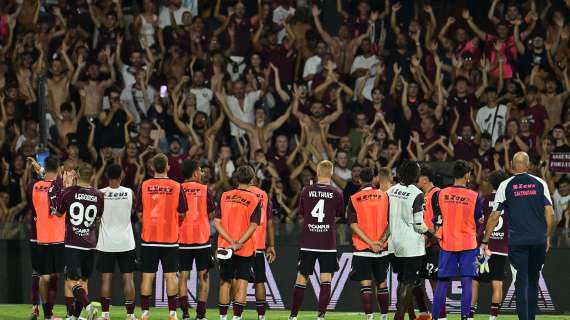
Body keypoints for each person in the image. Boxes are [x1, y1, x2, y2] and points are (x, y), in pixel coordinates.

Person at [480, 152, 556, 320]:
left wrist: (485, 240)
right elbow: (550, 214)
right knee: (533, 280)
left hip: (517, 242)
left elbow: (494, 217)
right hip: (538, 241)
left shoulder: (505, 185)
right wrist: (548, 237)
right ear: (528, 166)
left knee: (521, 281)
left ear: (513, 167)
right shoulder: (540, 183)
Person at [134, 153, 188, 320]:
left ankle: (144, 313)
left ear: (152, 168)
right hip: (170, 238)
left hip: (149, 238)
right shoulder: (177, 186)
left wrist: (147, 222)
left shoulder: (144, 185)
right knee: (170, 275)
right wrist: (176, 223)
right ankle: (172, 314)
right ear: (167, 167)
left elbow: (138, 212)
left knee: (147, 276)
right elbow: (184, 212)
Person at [289, 160, 344, 320]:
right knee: (326, 279)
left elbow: (303, 213)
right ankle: (321, 316)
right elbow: (339, 215)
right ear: (332, 173)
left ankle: (293, 316)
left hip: (308, 242)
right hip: (327, 243)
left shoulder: (306, 191)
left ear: (317, 173)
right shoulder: (337, 193)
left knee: (301, 278)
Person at [431, 160, 483, 320]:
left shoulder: (440, 194)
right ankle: (465, 317)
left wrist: (440, 236)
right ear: (467, 175)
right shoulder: (474, 196)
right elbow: (479, 221)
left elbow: (436, 220)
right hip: (468, 243)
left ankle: (434, 318)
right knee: (467, 281)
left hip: (447, 243)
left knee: (442, 282)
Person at [54, 163, 105, 320]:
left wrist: (65, 188)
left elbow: (58, 213)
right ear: (93, 177)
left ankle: (89, 308)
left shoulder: (69, 192)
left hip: (73, 243)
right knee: (83, 282)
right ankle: (74, 317)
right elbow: (98, 217)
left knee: (72, 282)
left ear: (76, 175)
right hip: (90, 244)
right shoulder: (99, 195)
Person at [215, 165, 262, 320]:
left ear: (236, 178)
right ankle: (236, 317)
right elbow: (254, 225)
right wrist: (239, 242)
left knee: (225, 281)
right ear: (252, 179)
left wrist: (230, 241)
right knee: (242, 281)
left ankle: (223, 318)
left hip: (225, 247)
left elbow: (217, 223)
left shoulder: (224, 196)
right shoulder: (255, 199)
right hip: (245, 247)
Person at [387, 160, 431, 320]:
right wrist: (432, 234)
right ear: (415, 175)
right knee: (408, 282)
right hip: (412, 246)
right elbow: (419, 224)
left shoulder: (390, 191)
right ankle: (398, 317)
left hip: (393, 245)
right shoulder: (417, 193)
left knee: (404, 281)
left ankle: (411, 315)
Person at [346, 167, 390, 320]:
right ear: (374, 179)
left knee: (366, 285)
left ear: (359, 180)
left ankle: (369, 317)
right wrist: (381, 241)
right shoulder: (385, 196)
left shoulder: (354, 198)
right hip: (382, 248)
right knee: (382, 284)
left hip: (362, 248)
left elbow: (352, 224)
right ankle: (384, 317)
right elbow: (391, 222)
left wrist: (370, 243)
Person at [96, 164, 137, 320]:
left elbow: (97, 216)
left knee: (106, 278)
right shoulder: (129, 193)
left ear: (107, 176)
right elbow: (133, 211)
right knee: (128, 278)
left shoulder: (100, 193)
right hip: (126, 243)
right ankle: (130, 315)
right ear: (122, 176)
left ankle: (105, 315)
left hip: (107, 243)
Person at [178, 159, 216, 320]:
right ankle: (201, 315)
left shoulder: (177, 189)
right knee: (204, 277)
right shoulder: (205, 189)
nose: (202, 173)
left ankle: (185, 314)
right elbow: (212, 214)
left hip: (182, 239)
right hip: (202, 240)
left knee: (183, 277)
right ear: (194, 173)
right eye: (200, 170)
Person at [28, 157, 65, 320]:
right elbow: (56, 185)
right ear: (58, 169)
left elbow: (44, 183)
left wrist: (41, 171)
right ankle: (60, 312)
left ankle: (47, 314)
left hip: (41, 239)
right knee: (57, 276)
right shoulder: (60, 187)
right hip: (57, 238)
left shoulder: (34, 186)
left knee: (44, 276)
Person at [471, 170, 510, 320]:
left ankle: (470, 316)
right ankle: (493, 318)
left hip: (483, 247)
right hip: (501, 248)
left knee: (474, 282)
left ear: (491, 183)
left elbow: (479, 220)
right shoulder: (509, 202)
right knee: (497, 283)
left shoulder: (484, 199)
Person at [416, 164, 446, 320]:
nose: (416, 180)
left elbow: (439, 221)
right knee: (420, 280)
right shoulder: (424, 195)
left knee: (436, 283)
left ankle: (441, 317)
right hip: (425, 244)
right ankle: (426, 314)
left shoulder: (437, 194)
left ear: (425, 179)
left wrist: (429, 237)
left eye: (418, 177)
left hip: (435, 245)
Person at [249, 177, 277, 320]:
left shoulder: (236, 194)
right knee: (260, 281)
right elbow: (270, 222)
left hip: (241, 245)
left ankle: (236, 315)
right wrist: (271, 245)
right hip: (259, 245)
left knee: (236, 279)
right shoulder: (264, 195)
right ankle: (261, 316)